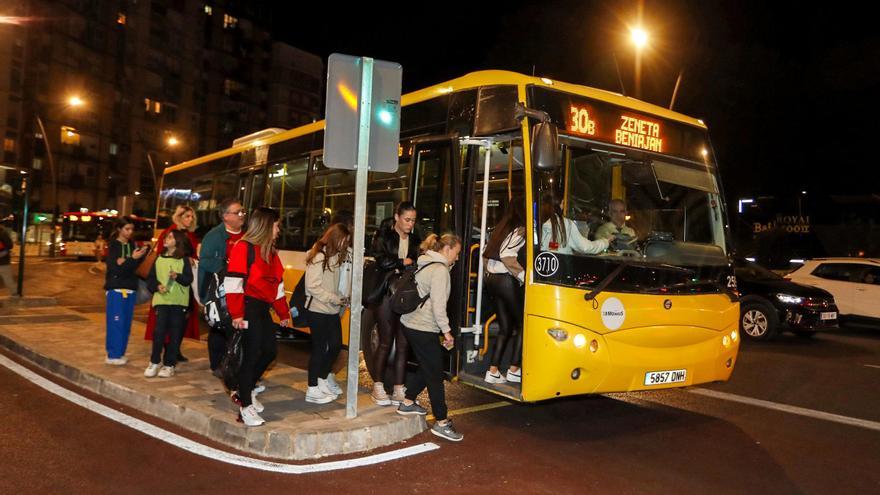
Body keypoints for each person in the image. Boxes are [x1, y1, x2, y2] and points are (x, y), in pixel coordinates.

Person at [224, 207, 291, 427]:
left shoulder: (270, 252)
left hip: (262, 309)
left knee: (269, 351)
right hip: (247, 307)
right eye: (276, 224)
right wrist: (237, 314)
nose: (279, 229)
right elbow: (233, 284)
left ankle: (245, 389)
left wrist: (283, 312)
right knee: (251, 354)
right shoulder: (244, 248)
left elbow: (278, 286)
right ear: (265, 225)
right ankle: (245, 406)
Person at [397, 233, 464, 442]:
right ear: (447, 249)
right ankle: (442, 422)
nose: (458, 257)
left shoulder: (426, 262)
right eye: (457, 252)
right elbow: (438, 305)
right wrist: (446, 331)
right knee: (435, 374)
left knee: (429, 366)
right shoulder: (440, 270)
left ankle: (407, 402)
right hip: (423, 326)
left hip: (411, 322)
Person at [368, 202, 421, 406]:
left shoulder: (415, 240)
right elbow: (381, 261)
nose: (410, 224)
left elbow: (417, 262)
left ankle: (399, 388)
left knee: (403, 343)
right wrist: (403, 262)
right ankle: (378, 386)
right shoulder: (383, 236)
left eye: (413, 220)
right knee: (385, 341)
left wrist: (409, 263)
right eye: (407, 219)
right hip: (385, 293)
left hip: (405, 294)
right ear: (397, 217)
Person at [303, 223, 351, 404]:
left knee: (336, 345)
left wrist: (340, 299)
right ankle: (312, 387)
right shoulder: (319, 256)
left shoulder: (336, 256)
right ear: (334, 238)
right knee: (319, 348)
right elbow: (313, 286)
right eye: (343, 240)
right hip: (318, 309)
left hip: (331, 310)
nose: (345, 244)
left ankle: (322, 379)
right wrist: (335, 298)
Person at [198, 199, 247, 375]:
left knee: (238, 327)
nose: (242, 215)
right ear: (226, 216)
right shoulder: (214, 236)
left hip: (241, 289)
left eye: (243, 211)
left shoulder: (248, 235)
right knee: (219, 326)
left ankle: (236, 362)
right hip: (219, 290)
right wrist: (228, 267)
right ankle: (217, 364)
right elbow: (205, 261)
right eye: (237, 212)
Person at [145, 205, 200, 362]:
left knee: (183, 319)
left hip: (183, 281)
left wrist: (192, 260)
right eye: (187, 216)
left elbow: (194, 255)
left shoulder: (191, 235)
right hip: (167, 282)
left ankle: (175, 349)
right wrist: (183, 258)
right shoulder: (169, 233)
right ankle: (167, 351)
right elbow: (162, 255)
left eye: (192, 217)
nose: (190, 219)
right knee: (164, 322)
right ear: (179, 217)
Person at [483, 199, 526, 385]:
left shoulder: (500, 228)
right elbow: (507, 255)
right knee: (525, 325)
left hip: (492, 280)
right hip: (507, 281)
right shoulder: (520, 228)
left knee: (505, 328)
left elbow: (484, 253)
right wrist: (524, 276)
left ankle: (493, 371)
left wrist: (489, 273)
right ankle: (514, 369)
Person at [144, 230, 194, 378]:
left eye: (170, 237)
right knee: (158, 332)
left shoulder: (183, 260)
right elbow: (151, 279)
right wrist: (157, 286)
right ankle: (154, 361)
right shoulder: (159, 258)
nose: (166, 239)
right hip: (162, 301)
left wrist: (177, 276)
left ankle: (169, 364)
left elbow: (188, 280)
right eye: (167, 237)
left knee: (175, 334)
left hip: (179, 302)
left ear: (177, 242)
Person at [104, 216, 149, 365]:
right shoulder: (113, 245)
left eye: (131, 229)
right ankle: (113, 355)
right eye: (127, 229)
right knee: (116, 323)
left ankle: (120, 353)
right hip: (116, 289)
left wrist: (133, 258)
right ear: (119, 229)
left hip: (131, 288)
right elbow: (115, 269)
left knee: (126, 325)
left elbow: (132, 267)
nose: (130, 232)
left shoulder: (132, 244)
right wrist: (131, 259)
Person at [540, 192, 611, 254]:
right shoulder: (565, 224)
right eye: (563, 203)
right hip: (561, 267)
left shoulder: (536, 221)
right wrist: (606, 241)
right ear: (560, 204)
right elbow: (585, 247)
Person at [0, 223, 17, 295]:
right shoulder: (2, 233)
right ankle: (15, 294)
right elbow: (10, 245)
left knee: (7, 279)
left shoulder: (2, 233)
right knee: (8, 279)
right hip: (3, 260)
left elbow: (10, 245)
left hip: (3, 260)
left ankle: (14, 294)